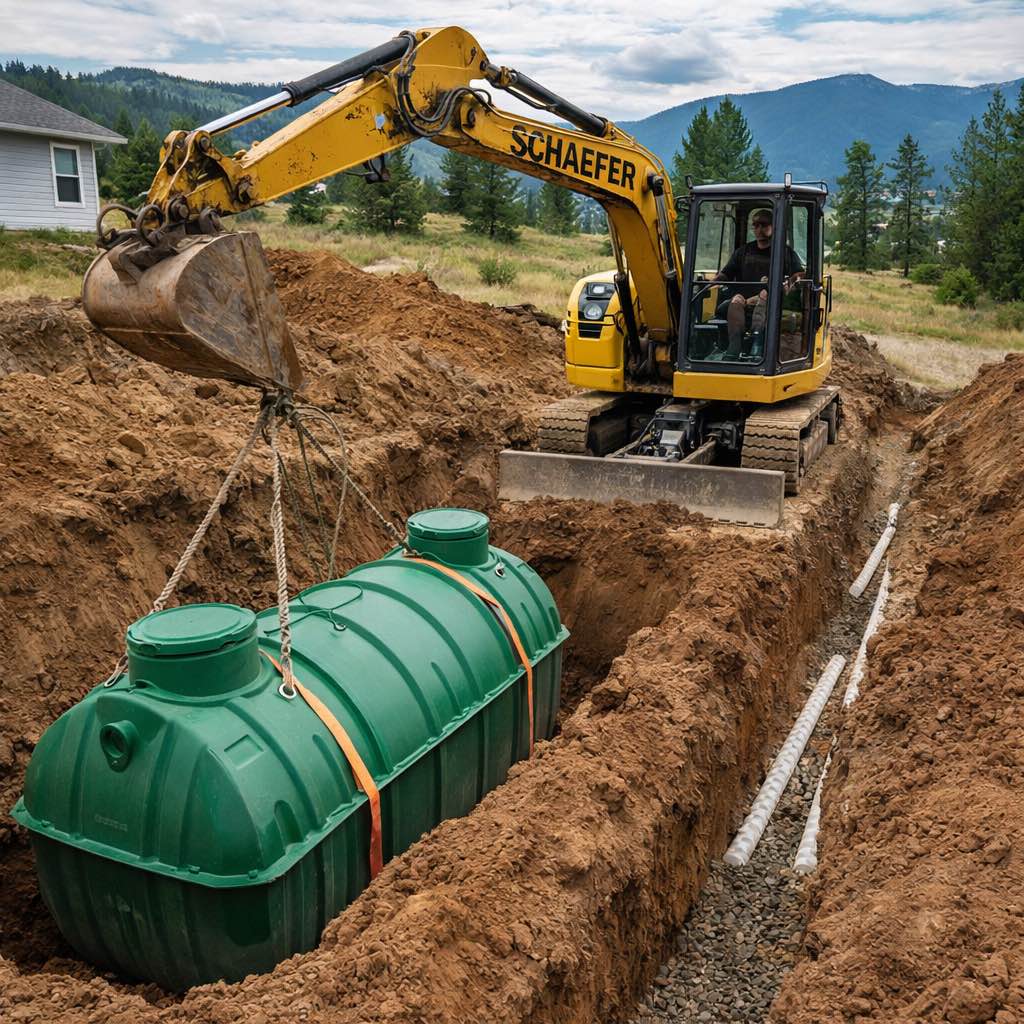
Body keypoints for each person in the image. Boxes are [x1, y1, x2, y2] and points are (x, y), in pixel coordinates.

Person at [714, 209, 804, 357]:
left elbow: (798, 274)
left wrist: (790, 282)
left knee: (764, 295)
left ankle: (758, 343)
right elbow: (726, 273)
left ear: (774, 226)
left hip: (772, 299)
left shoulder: (785, 253)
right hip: (744, 300)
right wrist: (711, 283)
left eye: (763, 225)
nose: (759, 229)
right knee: (736, 299)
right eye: (755, 225)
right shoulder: (743, 252)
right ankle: (734, 349)